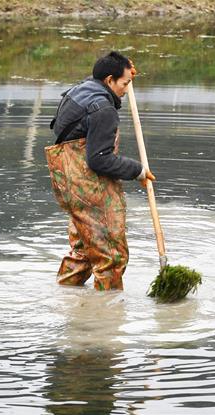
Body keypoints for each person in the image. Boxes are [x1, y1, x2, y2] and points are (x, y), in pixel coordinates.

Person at [44, 51, 156, 291]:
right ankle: (107, 317)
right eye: (124, 83)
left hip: (69, 186)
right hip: (90, 189)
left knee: (83, 253)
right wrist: (138, 170)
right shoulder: (103, 109)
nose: (127, 89)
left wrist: (125, 69)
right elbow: (99, 160)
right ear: (109, 80)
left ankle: (66, 299)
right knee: (111, 257)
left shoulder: (82, 89)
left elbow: (102, 74)